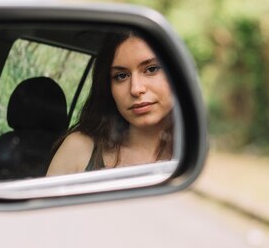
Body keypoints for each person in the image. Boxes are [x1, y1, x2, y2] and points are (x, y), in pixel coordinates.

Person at [47, 32, 174, 176]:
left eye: (151, 69)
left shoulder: (198, 153)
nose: (135, 89)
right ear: (108, 87)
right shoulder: (79, 148)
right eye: (121, 76)